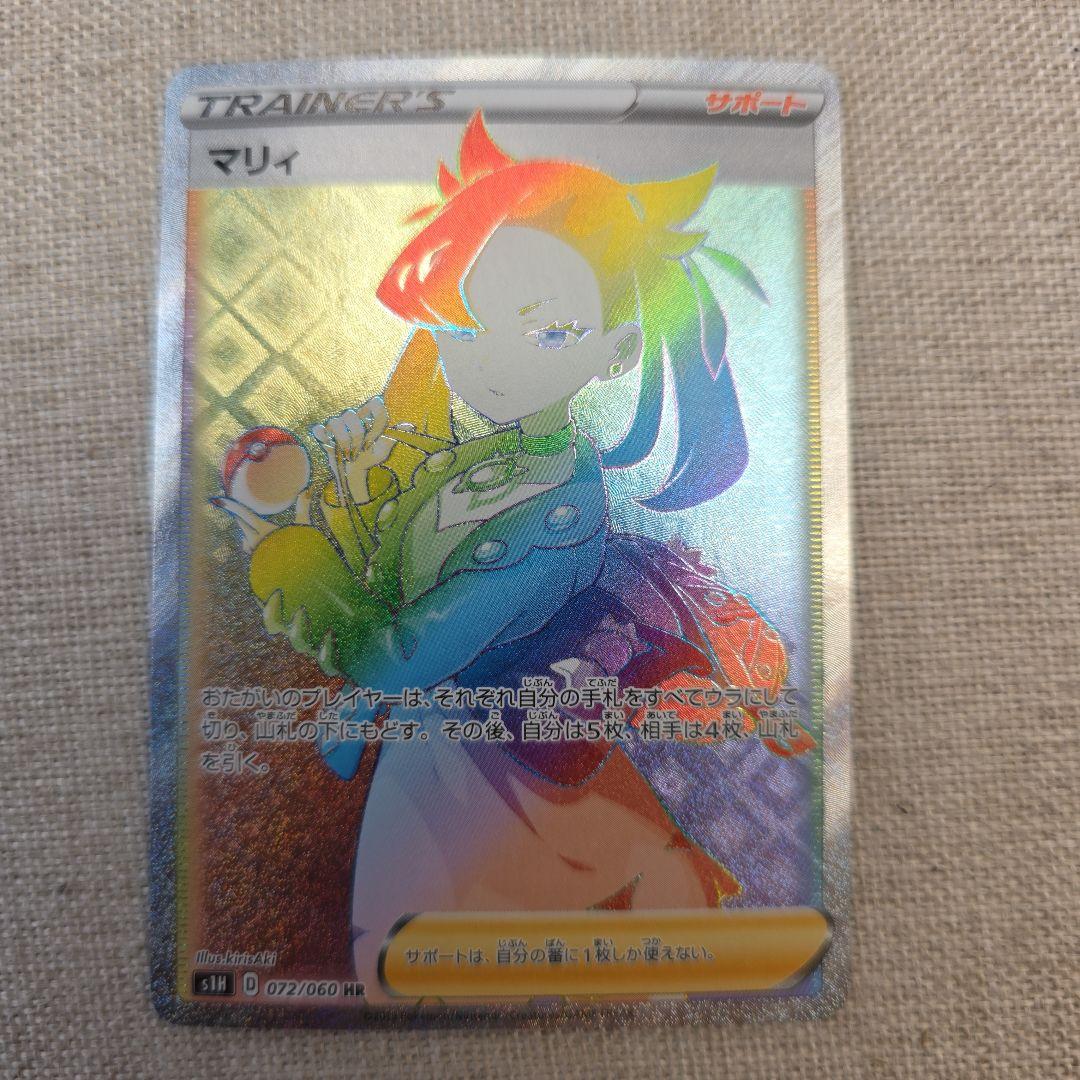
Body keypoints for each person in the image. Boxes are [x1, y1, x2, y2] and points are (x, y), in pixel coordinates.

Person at [215, 112, 811, 1000]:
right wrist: (306, 491)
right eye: (468, 324)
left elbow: (395, 655)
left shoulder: (557, 517)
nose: (487, 360)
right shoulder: (486, 445)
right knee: (413, 955)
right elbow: (387, 507)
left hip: (484, 751)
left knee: (412, 951)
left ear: (614, 352)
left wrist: (286, 555)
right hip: (457, 744)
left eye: (545, 334)